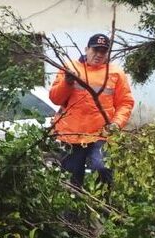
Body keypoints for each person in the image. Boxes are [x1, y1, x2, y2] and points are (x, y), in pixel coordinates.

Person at [49, 33, 135, 188]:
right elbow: (55, 98)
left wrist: (116, 124)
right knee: (71, 183)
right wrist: (67, 83)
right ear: (86, 49)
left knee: (102, 169)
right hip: (71, 135)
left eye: (103, 51)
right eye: (95, 50)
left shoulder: (115, 73)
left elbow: (125, 103)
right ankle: (72, 211)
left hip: (101, 134)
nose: (99, 54)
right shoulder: (70, 68)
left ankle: (103, 209)